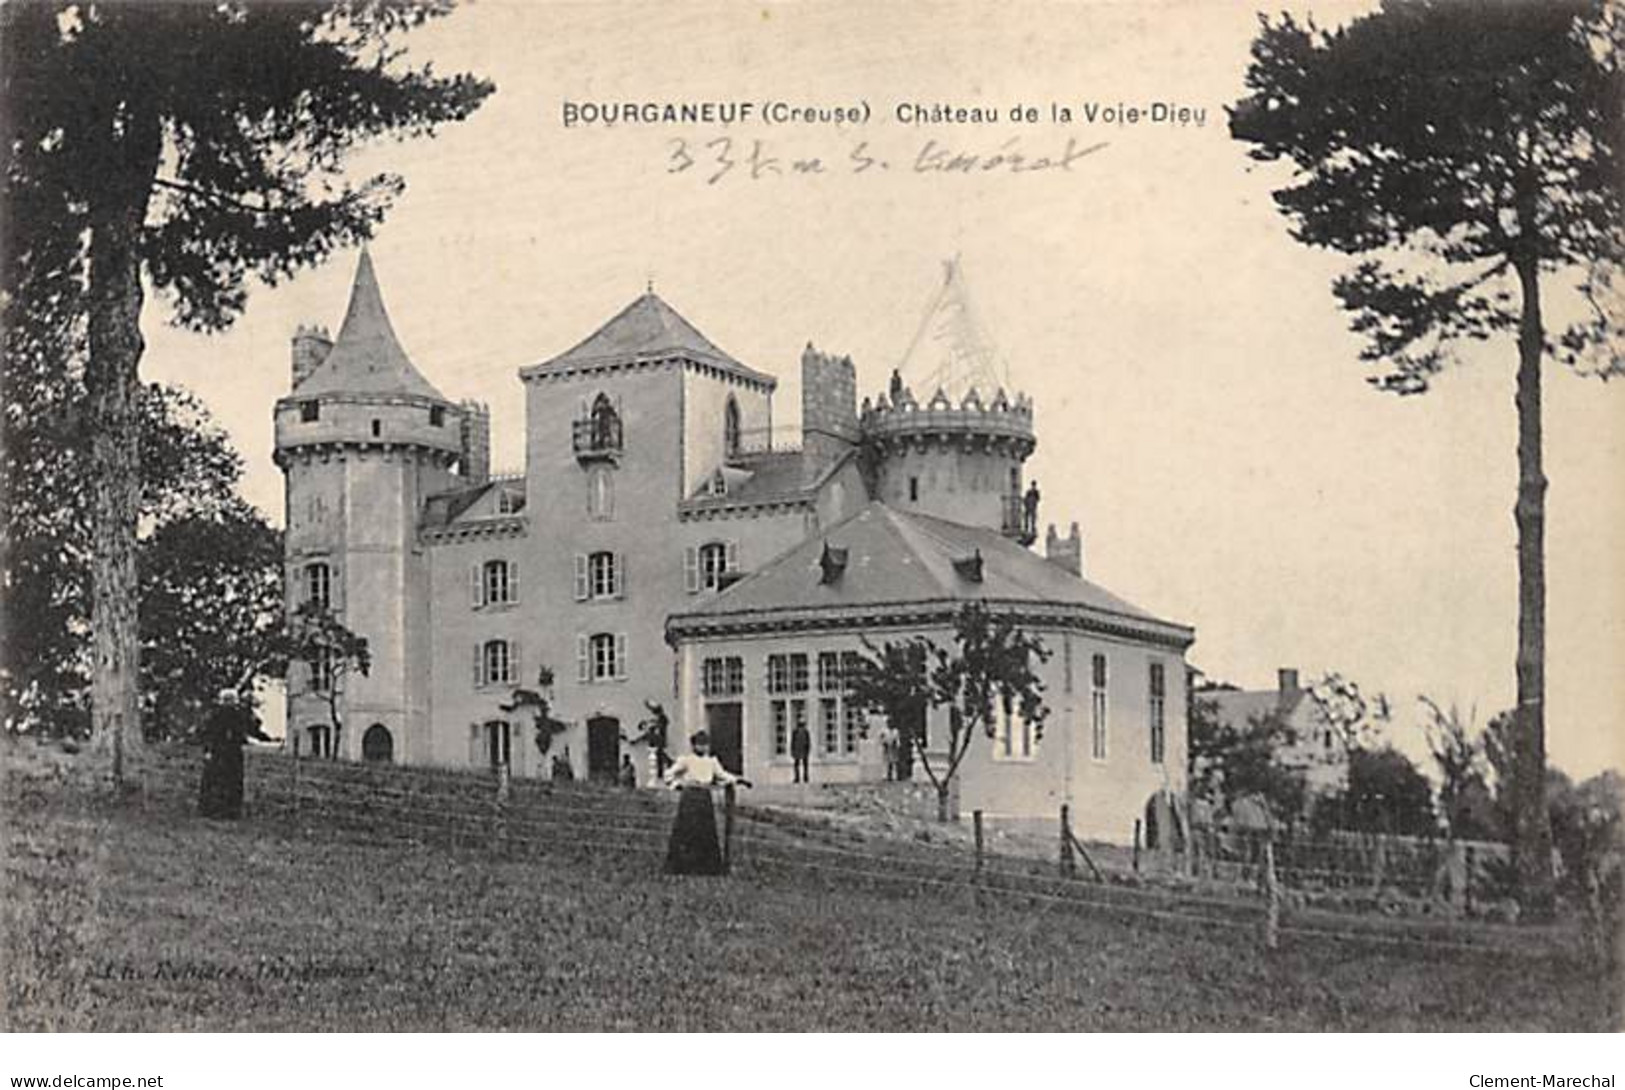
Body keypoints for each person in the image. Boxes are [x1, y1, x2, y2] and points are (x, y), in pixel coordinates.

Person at [662, 731, 747, 875]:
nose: (703, 748)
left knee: (705, 832)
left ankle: (705, 868)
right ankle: (682, 867)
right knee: (686, 831)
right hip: (689, 797)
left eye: (705, 744)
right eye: (699, 744)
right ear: (693, 745)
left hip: (704, 797)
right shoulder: (686, 760)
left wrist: (738, 780)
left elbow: (722, 775)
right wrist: (676, 785)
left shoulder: (711, 761)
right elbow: (668, 774)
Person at [198, 688, 261, 819]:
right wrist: (208, 750)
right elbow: (209, 734)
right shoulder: (217, 715)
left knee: (230, 781)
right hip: (220, 752)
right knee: (218, 781)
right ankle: (217, 810)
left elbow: (246, 730)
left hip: (230, 753)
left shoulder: (235, 715)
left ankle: (228, 811)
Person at [790, 716, 812, 784]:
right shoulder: (797, 731)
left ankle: (803, 777)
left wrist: (808, 750)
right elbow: (793, 741)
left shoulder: (804, 732)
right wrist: (792, 750)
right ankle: (799, 778)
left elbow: (808, 742)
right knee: (799, 764)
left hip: (802, 749)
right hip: (799, 749)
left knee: (802, 764)